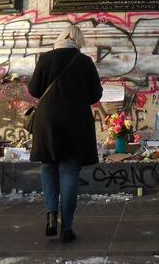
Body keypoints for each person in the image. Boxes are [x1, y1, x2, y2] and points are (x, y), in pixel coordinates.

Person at [29, 25, 103, 243]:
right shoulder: (84, 61)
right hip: (76, 122)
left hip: (47, 121)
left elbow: (34, 90)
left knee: (48, 165)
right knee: (70, 171)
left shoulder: (45, 58)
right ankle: (67, 227)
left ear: (60, 38)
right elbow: (96, 94)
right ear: (78, 41)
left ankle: (51, 214)